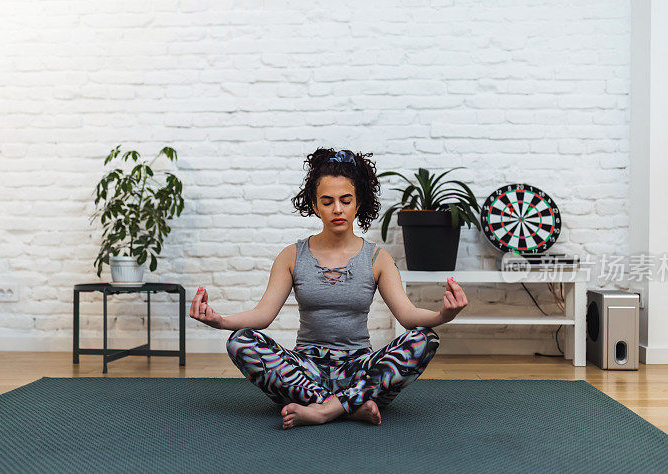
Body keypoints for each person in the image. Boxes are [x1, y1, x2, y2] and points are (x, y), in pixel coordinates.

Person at [189, 148, 468, 429]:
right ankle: (350, 406)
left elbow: (407, 316)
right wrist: (220, 321)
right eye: (328, 201)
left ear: (358, 203)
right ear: (314, 205)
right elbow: (263, 315)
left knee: (425, 339)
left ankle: (323, 410)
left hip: (359, 369)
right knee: (240, 341)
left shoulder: (376, 258)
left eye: (346, 200)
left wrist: (444, 315)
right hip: (305, 372)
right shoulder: (292, 255)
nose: (337, 209)